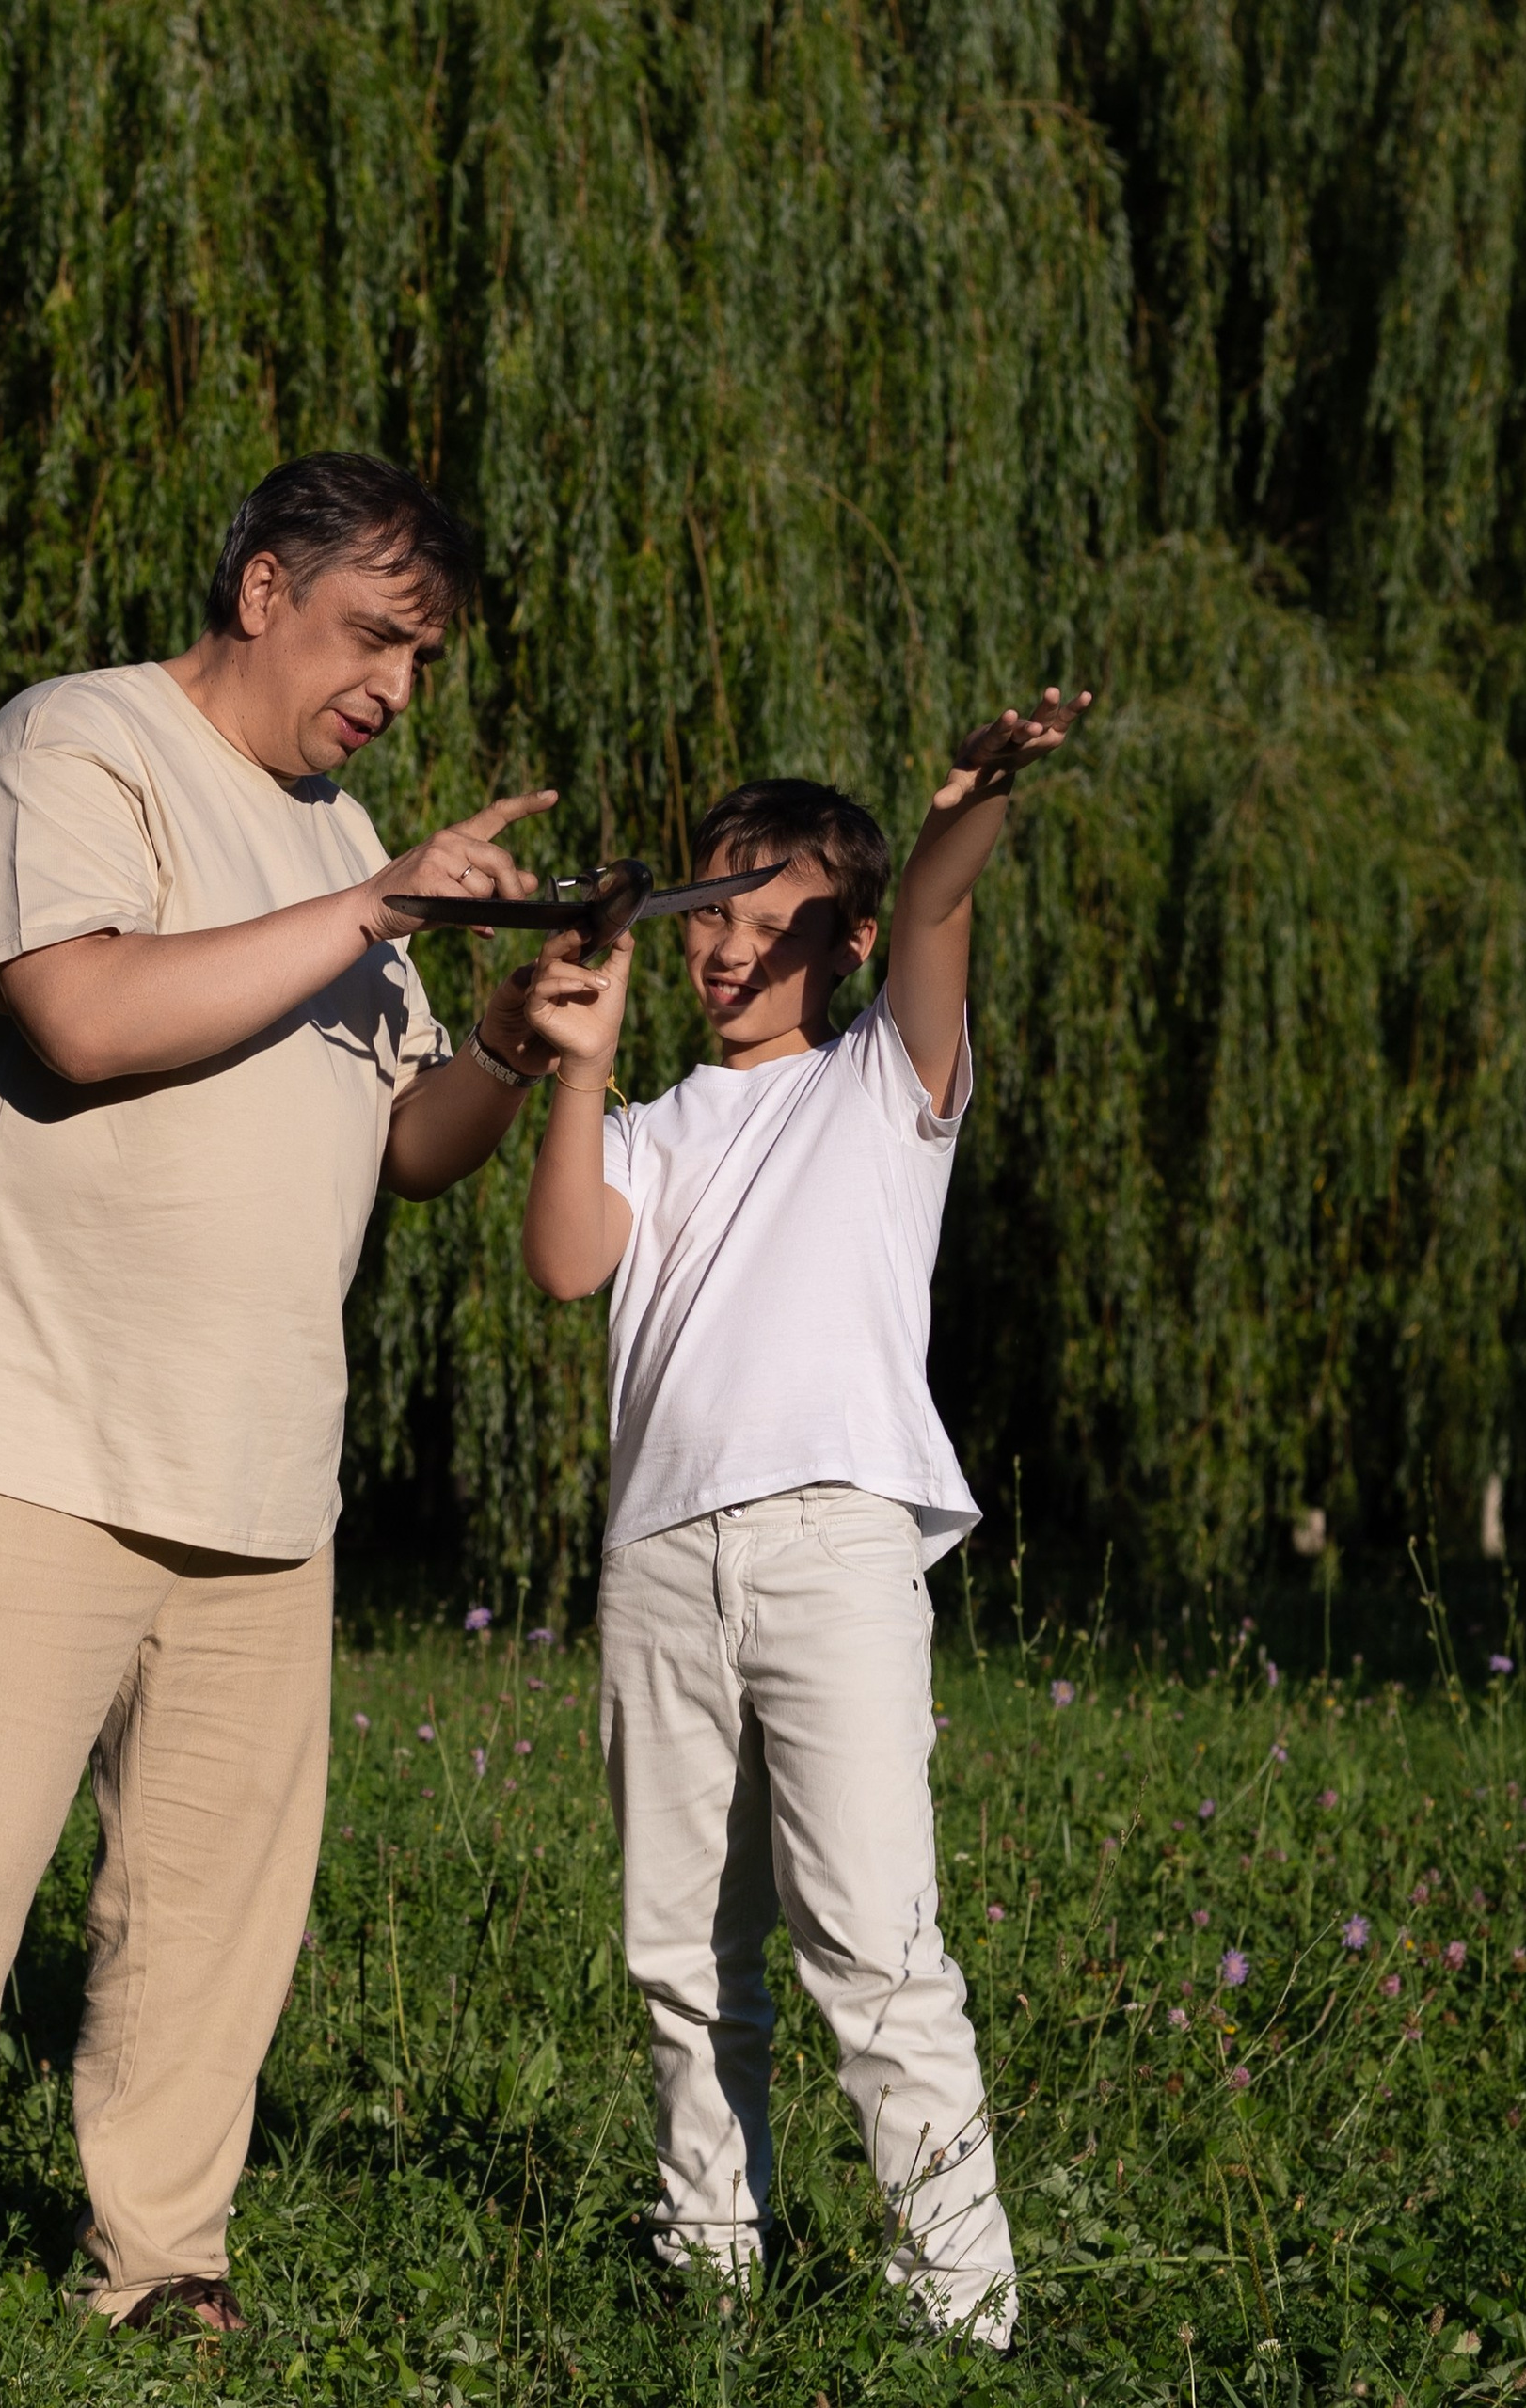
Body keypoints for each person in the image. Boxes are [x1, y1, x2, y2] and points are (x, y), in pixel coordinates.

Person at [0, 452, 564, 2400]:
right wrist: (372, 898)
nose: (391, 687)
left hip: (261, 1462)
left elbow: (407, 1148)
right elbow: (82, 1014)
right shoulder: (76, 740)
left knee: (206, 1922)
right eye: (374, 634)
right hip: (32, 1416)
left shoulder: (340, 828)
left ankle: (157, 2265)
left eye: (419, 656)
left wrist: (514, 1039)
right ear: (264, 583)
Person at [517, 689, 1093, 2346]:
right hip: (658, 1563)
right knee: (681, 1954)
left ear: (836, 947)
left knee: (870, 1944)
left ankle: (960, 2309)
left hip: (835, 1545)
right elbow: (566, 1261)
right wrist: (578, 1064)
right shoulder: (656, 1126)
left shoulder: (879, 1090)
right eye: (712, 916)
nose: (730, 952)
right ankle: (711, 2273)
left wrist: (968, 804)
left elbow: (933, 903)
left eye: (775, 926)